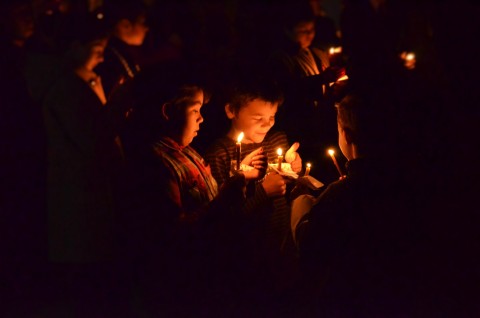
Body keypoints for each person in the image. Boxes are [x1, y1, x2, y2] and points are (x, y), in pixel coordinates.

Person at [119, 63, 269, 317]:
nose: (202, 118)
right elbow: (173, 232)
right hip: (183, 284)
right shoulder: (154, 163)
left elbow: (202, 199)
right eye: (195, 109)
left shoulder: (184, 150)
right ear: (168, 111)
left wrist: (239, 179)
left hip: (211, 274)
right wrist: (223, 200)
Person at [290, 89, 421, 316]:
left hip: (347, 298)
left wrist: (300, 203)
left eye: (339, 131)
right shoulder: (406, 182)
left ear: (347, 135)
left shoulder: (341, 195)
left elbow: (309, 246)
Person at [42, 14, 123, 316]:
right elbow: (92, 140)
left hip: (92, 193)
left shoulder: (86, 82)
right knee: (84, 280)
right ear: (74, 46)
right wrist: (116, 109)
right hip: (76, 195)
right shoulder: (64, 90)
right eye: (97, 47)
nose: (102, 55)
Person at [203, 74, 303, 314]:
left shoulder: (277, 139)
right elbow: (223, 217)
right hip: (244, 256)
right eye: (258, 118)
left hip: (281, 246)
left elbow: (285, 192)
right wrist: (263, 192)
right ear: (231, 111)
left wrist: (293, 171)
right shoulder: (220, 154)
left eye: (272, 117)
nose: (267, 124)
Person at [266, 3, 346, 182]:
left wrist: (334, 89)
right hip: (302, 131)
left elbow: (324, 91)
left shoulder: (317, 53)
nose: (310, 34)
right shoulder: (281, 59)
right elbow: (289, 90)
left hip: (324, 127)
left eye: (312, 29)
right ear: (288, 30)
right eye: (303, 30)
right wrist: (321, 80)